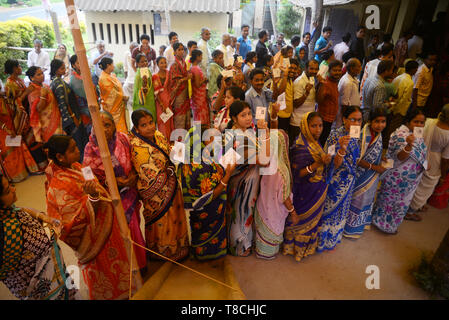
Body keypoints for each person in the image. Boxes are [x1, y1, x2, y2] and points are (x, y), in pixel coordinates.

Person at [45, 135, 134, 300]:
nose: (78, 150)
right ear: (59, 157)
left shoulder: (77, 166)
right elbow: (70, 225)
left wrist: (98, 191)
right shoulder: (58, 187)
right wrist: (93, 198)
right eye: (72, 150)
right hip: (92, 240)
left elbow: (93, 182)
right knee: (102, 272)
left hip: (106, 227)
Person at [83, 111, 146, 271]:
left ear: (114, 126)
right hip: (109, 198)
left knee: (134, 227)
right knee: (121, 232)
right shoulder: (90, 148)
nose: (104, 129)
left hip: (129, 193)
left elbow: (135, 159)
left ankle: (140, 264)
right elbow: (88, 176)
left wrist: (133, 175)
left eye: (107, 125)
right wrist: (111, 182)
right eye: (99, 125)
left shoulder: (123, 139)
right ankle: (127, 267)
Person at [0, 174, 80, 300]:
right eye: (7, 190)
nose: (14, 189)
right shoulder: (11, 232)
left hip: (21, 285)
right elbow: (49, 240)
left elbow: (20, 209)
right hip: (43, 289)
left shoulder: (7, 212)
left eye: (10, 185)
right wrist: (53, 225)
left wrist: (42, 217)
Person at [129, 109, 189, 261]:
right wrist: (170, 168)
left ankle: (178, 247)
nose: (149, 127)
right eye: (144, 125)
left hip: (172, 185)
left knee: (176, 217)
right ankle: (162, 252)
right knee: (163, 222)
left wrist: (179, 151)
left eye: (150, 123)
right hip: (156, 195)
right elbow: (148, 175)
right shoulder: (137, 147)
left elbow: (168, 150)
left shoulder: (158, 135)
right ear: (136, 128)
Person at [178, 125, 234, 260]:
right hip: (208, 212)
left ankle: (203, 253)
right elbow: (210, 196)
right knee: (206, 234)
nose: (215, 140)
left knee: (201, 232)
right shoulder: (199, 166)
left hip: (209, 212)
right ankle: (207, 257)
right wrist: (228, 174)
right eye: (211, 138)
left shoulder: (198, 157)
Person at [224, 101, 272, 257]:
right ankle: (239, 247)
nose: (247, 118)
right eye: (242, 115)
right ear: (234, 118)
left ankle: (242, 244)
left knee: (243, 213)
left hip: (248, 181)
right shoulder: (237, 138)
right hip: (242, 184)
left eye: (249, 114)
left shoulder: (246, 132)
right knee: (241, 214)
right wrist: (264, 133)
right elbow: (264, 160)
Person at [283, 112, 331, 261]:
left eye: (320, 125)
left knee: (312, 223)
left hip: (317, 189)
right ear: (305, 126)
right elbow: (297, 174)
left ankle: (306, 248)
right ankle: (294, 248)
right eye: (314, 126)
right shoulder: (300, 147)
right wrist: (318, 164)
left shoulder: (315, 142)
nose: (318, 130)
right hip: (305, 190)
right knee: (300, 220)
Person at [371, 108, 427, 234]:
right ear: (408, 121)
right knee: (388, 202)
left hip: (410, 180)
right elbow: (401, 156)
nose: (419, 125)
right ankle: (381, 223)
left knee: (401, 204)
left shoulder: (417, 135)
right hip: (396, 178)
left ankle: (391, 225)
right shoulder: (400, 135)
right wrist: (408, 145)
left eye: (421, 123)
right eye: (415, 122)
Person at [317, 106, 362, 251]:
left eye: (359, 120)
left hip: (349, 180)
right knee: (329, 210)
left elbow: (356, 158)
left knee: (341, 211)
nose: (356, 123)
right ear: (344, 119)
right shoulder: (335, 135)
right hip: (336, 181)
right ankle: (322, 241)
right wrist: (341, 148)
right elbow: (330, 161)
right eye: (353, 119)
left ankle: (334, 238)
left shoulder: (356, 136)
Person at [343, 108, 388, 238]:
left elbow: (374, 151)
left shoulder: (378, 134)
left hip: (371, 174)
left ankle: (358, 226)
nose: (380, 125)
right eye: (377, 121)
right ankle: (349, 229)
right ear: (370, 122)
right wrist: (374, 167)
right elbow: (356, 158)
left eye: (383, 121)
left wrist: (381, 159)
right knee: (357, 199)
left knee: (366, 199)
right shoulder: (364, 135)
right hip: (362, 174)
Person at [254, 126, 293, 260]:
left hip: (264, 206)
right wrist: (293, 211)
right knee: (273, 231)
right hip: (275, 211)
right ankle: (269, 254)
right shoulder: (282, 171)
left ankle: (262, 252)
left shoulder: (265, 164)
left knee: (263, 233)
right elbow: (285, 197)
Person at [407, 105, 449, 220]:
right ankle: (411, 210)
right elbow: (445, 160)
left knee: (415, 181)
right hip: (435, 160)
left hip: (418, 153)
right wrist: (443, 177)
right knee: (426, 186)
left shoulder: (429, 122)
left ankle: (411, 206)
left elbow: (416, 136)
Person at [3, 60, 46, 174]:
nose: (20, 68)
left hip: (28, 113)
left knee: (36, 139)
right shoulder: (9, 84)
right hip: (21, 117)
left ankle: (42, 164)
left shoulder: (19, 80)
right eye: (18, 66)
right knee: (31, 140)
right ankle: (39, 166)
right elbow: (13, 103)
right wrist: (26, 93)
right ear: (14, 69)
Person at [50, 59, 89, 160]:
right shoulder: (58, 83)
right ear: (56, 70)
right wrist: (73, 118)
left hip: (73, 116)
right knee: (78, 143)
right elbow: (63, 104)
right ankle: (80, 165)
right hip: (71, 119)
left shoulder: (58, 81)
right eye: (62, 68)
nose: (65, 70)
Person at [26, 66, 63, 144]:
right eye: (38, 74)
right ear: (32, 78)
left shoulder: (44, 86)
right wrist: (43, 96)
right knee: (53, 145)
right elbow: (38, 109)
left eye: (42, 73)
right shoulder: (33, 90)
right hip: (46, 124)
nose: (42, 75)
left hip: (55, 119)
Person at [387, 60, 419, 140]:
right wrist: (398, 111)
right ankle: (389, 144)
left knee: (390, 126)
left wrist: (392, 108)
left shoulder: (399, 77)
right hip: (399, 110)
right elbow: (403, 99)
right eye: (416, 69)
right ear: (413, 69)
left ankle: (386, 142)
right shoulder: (409, 82)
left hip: (391, 106)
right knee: (394, 128)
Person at [290, 59, 319, 147]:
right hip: (298, 122)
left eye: (316, 69)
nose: (314, 71)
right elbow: (296, 104)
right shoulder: (299, 82)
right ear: (305, 68)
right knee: (296, 149)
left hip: (307, 120)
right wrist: (306, 93)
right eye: (311, 69)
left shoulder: (312, 78)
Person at [98, 57, 129, 133]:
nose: (114, 66)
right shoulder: (103, 78)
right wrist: (123, 97)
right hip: (113, 107)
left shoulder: (111, 75)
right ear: (108, 65)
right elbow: (111, 94)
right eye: (112, 64)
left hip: (119, 105)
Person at [317, 60, 343, 146]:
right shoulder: (326, 84)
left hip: (330, 120)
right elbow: (319, 100)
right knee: (321, 142)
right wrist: (322, 85)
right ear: (329, 71)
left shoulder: (334, 82)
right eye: (335, 70)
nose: (337, 72)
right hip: (324, 120)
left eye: (339, 70)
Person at [167, 42, 191, 130]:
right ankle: (179, 140)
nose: (181, 52)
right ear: (175, 52)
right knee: (179, 116)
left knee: (186, 115)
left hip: (185, 92)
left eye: (183, 50)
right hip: (178, 93)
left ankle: (186, 140)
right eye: (179, 50)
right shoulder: (174, 64)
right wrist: (186, 78)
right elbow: (174, 80)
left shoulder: (184, 62)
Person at [69, 55, 93, 134]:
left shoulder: (84, 75)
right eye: (79, 63)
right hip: (84, 112)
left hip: (91, 109)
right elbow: (86, 94)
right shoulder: (74, 79)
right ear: (73, 65)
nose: (82, 64)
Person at [152, 56, 174, 140]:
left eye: (165, 62)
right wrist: (162, 105)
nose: (164, 64)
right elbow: (156, 94)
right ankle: (163, 141)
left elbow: (170, 87)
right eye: (161, 63)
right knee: (162, 121)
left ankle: (169, 141)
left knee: (169, 121)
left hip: (168, 100)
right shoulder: (155, 76)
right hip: (159, 101)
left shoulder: (168, 73)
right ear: (157, 64)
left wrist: (171, 99)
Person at [277, 59, 300, 133]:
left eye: (295, 69)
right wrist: (285, 74)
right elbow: (280, 93)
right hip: (280, 115)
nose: (293, 70)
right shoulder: (282, 79)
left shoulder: (290, 80)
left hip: (287, 115)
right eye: (290, 68)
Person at [338, 58, 362, 128]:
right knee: (350, 136)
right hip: (350, 117)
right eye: (359, 66)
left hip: (354, 115)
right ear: (352, 68)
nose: (361, 68)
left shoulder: (352, 78)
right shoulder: (348, 83)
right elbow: (344, 104)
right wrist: (345, 121)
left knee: (354, 137)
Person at [132, 54, 156, 121]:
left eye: (146, 61)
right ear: (137, 64)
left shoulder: (147, 70)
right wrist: (143, 89)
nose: (145, 63)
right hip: (142, 101)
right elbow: (137, 90)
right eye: (142, 62)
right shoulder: (138, 74)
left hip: (150, 100)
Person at [189, 49, 209, 125]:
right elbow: (197, 84)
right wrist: (204, 80)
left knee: (198, 114)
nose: (202, 58)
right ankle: (201, 132)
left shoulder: (193, 67)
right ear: (197, 57)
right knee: (200, 114)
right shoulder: (195, 68)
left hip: (197, 95)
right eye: (201, 56)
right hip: (199, 95)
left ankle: (199, 133)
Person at [123, 42, 139, 111]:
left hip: (137, 78)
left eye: (133, 49)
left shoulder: (140, 55)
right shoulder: (127, 54)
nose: (131, 51)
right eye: (130, 49)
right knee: (124, 87)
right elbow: (125, 67)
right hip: (129, 78)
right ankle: (130, 109)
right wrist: (125, 78)